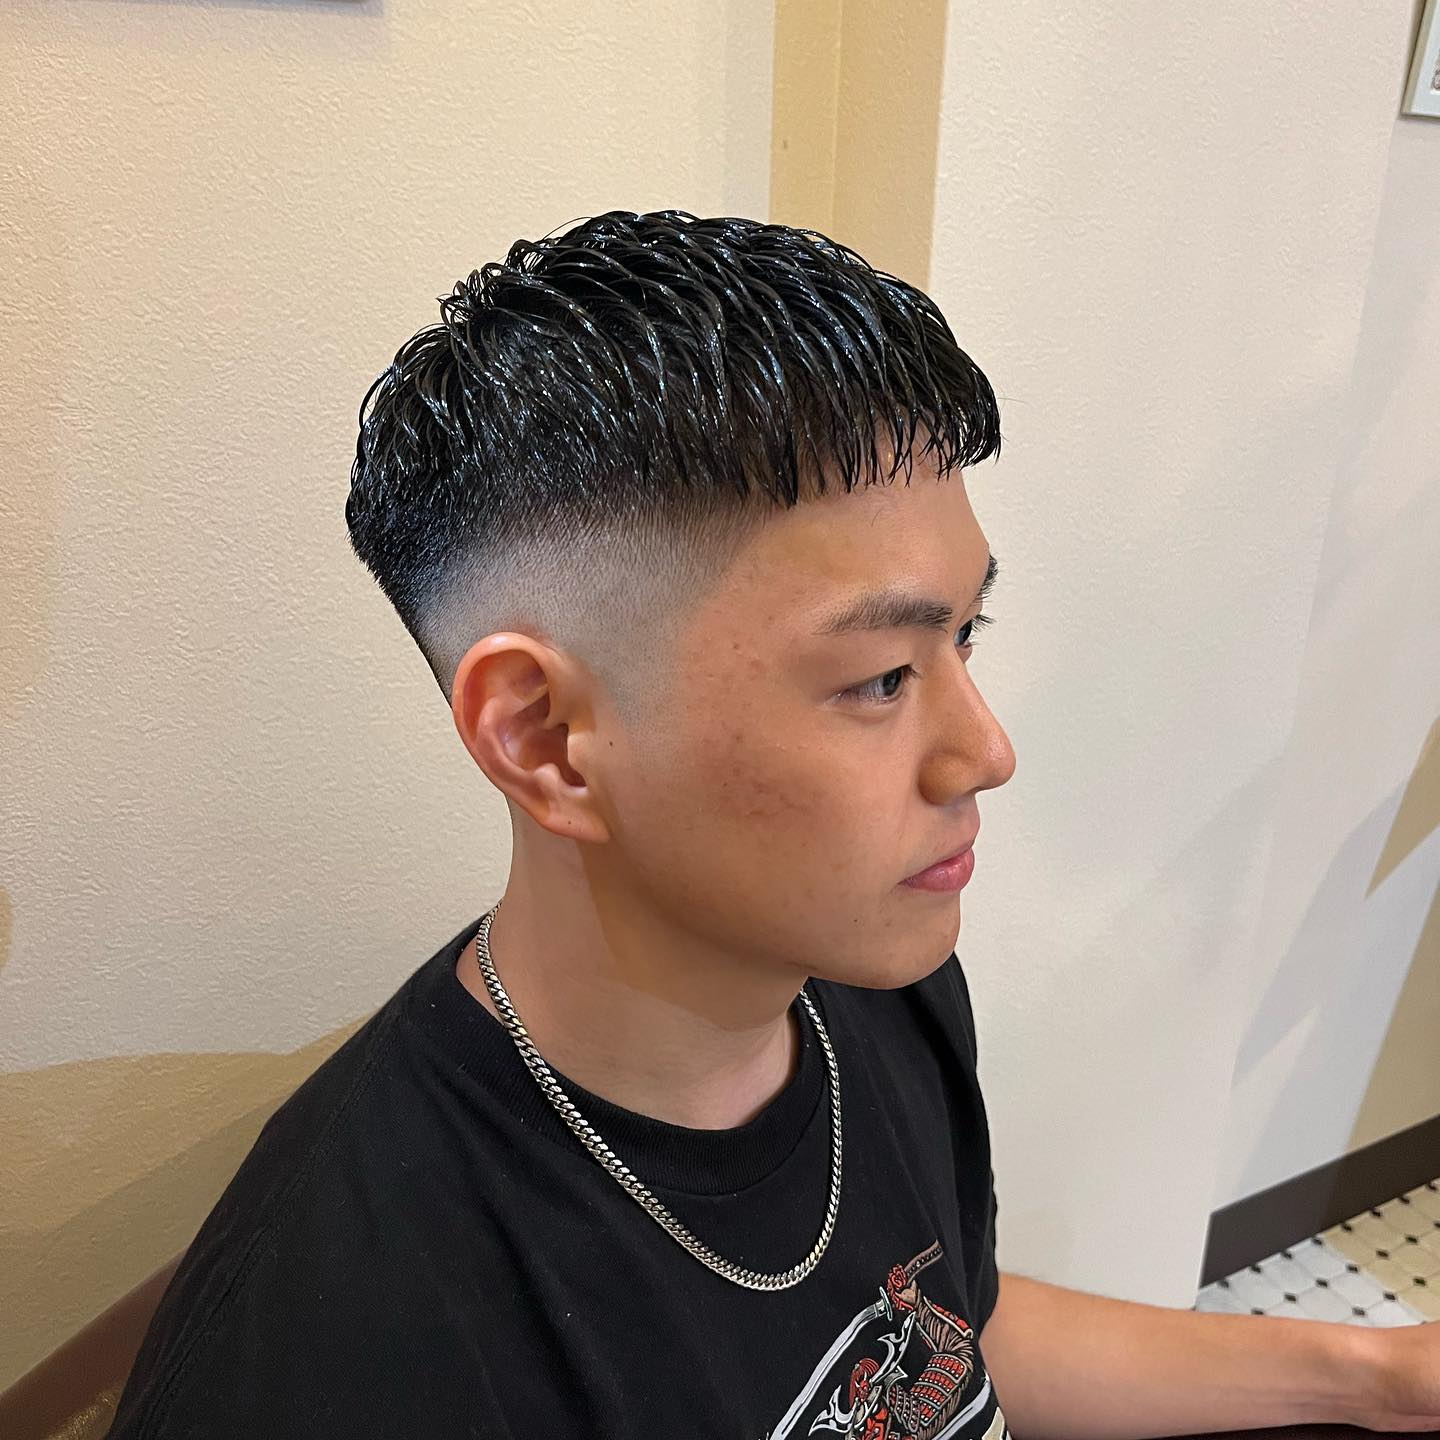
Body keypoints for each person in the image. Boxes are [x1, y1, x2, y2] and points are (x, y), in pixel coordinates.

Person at [107, 210, 1437, 1439]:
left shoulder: (870, 977)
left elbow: (952, 1329)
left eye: (966, 635)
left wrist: (1373, 1376)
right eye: (882, 677)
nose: (987, 752)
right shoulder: (347, 1351)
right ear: (545, 739)